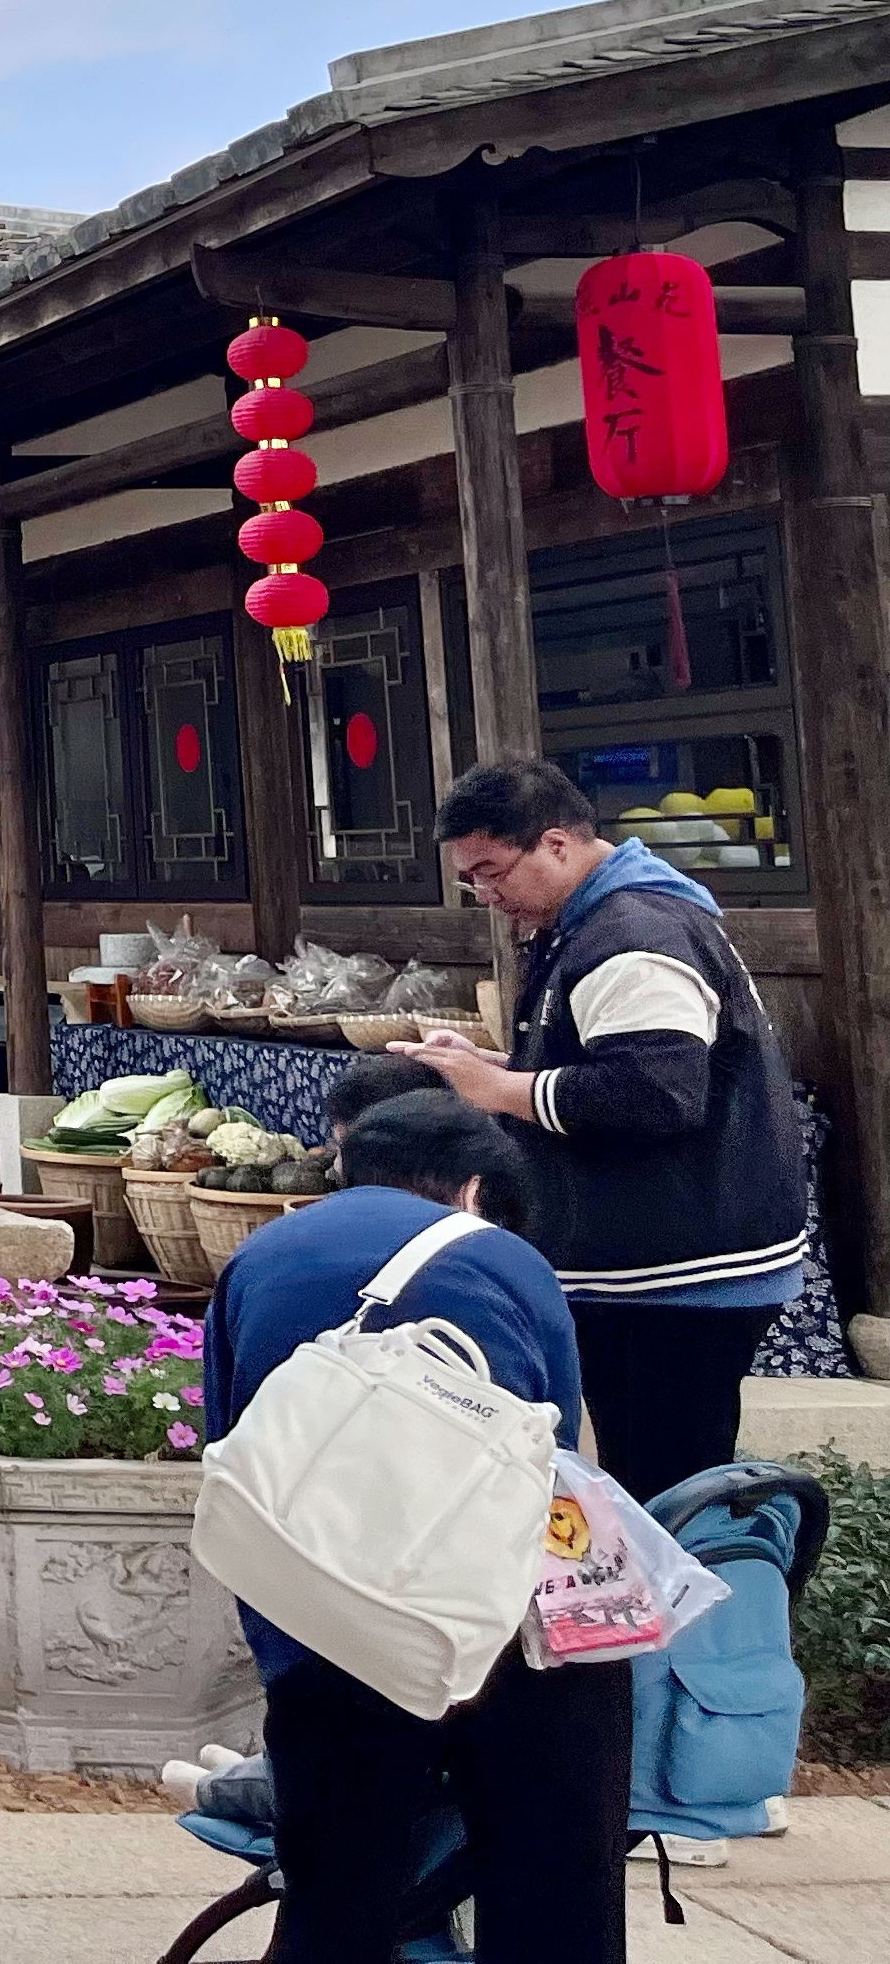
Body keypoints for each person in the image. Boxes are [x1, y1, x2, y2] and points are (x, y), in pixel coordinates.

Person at [201, 1093, 624, 1963]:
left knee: (334, 1895)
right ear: (473, 1189)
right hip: (489, 1632)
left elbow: (228, 1436)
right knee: (558, 1878)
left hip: (321, 1621)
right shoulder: (505, 1259)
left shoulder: (259, 1254)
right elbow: (556, 1463)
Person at [406, 755, 807, 1496]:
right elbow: (614, 1060)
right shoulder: (592, 919)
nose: (485, 894)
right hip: (655, 1261)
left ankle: (701, 1577)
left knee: (670, 1486)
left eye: (492, 872)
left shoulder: (633, 935)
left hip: (681, 1272)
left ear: (556, 844)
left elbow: (656, 1095)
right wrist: (500, 1067)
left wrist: (503, 1088)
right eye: (470, 880)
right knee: (643, 1476)